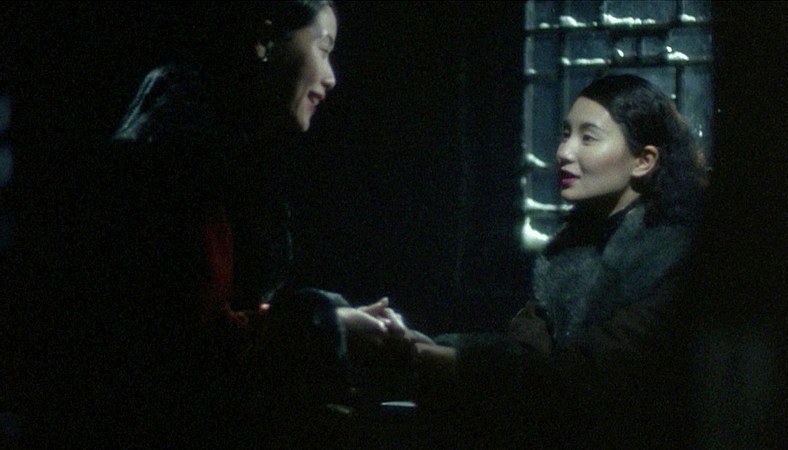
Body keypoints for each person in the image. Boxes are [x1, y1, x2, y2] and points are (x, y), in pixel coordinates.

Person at [69, 1, 420, 447]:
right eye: (323, 48)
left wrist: (337, 319)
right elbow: (183, 351)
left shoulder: (227, 156)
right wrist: (328, 324)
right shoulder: (176, 160)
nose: (331, 77)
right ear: (265, 38)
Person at [407, 74, 709, 448]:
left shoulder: (678, 257)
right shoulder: (566, 252)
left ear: (644, 161)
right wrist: (438, 349)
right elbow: (526, 351)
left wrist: (451, 360)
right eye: (565, 134)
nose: (564, 152)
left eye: (588, 137)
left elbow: (587, 375)